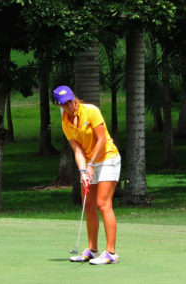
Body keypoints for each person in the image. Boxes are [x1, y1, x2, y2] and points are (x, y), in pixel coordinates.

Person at [53, 85, 121, 265]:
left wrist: (91, 165)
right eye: (64, 103)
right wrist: (82, 171)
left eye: (70, 100)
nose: (69, 105)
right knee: (88, 204)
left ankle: (111, 253)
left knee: (103, 203)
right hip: (89, 162)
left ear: (74, 97)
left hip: (107, 158)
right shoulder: (65, 122)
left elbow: (101, 140)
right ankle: (92, 250)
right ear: (58, 105)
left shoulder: (91, 111)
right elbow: (77, 148)